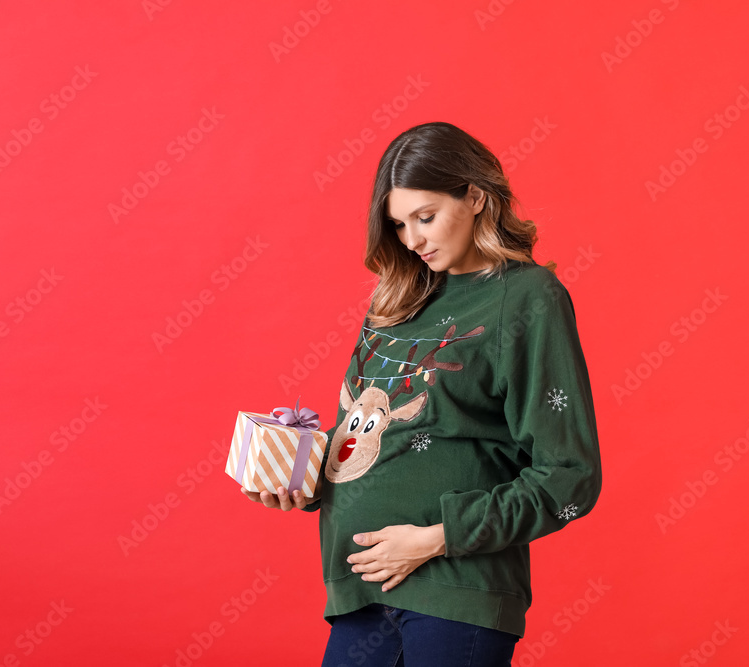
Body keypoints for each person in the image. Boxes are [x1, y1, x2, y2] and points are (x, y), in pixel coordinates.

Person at [242, 121, 602, 666]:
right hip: (360, 590)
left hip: (456, 590)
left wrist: (436, 538)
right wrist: (298, 478)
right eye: (399, 224)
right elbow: (378, 440)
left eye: (425, 217)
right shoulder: (396, 301)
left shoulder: (528, 298)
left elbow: (570, 475)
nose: (412, 240)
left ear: (476, 196)